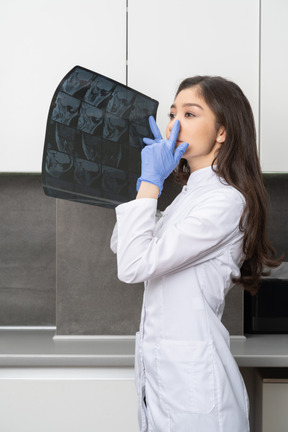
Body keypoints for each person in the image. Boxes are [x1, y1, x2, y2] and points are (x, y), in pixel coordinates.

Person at [110, 76, 281, 432]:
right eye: (172, 114)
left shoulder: (225, 202)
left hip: (196, 393)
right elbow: (123, 245)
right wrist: (146, 181)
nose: (174, 124)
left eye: (189, 114)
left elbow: (132, 264)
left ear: (222, 132)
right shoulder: (189, 197)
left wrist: (150, 183)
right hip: (165, 382)